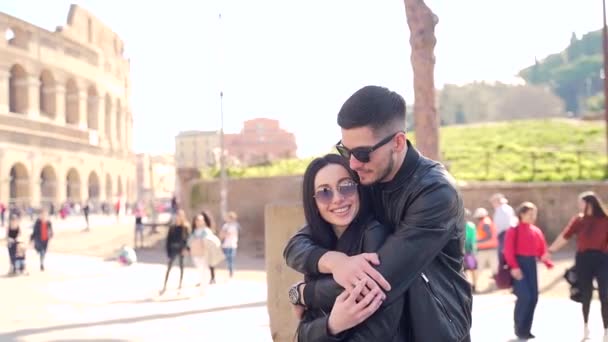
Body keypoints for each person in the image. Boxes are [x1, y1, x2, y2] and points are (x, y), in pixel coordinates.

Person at [283, 85, 472, 340]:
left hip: (434, 331)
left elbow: (377, 280)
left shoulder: (436, 193)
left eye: (361, 153)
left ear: (397, 142)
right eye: (345, 151)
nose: (352, 163)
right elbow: (298, 243)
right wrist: (334, 261)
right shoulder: (363, 179)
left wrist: (305, 293)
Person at [286, 154, 403, 341]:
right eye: (325, 192)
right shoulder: (319, 235)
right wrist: (331, 325)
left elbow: (370, 295)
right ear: (314, 202)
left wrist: (304, 293)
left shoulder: (376, 234)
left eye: (346, 186)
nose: (337, 199)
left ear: (359, 189)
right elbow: (302, 333)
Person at [549, 191, 608, 341]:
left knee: (605, 295)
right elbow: (565, 236)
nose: (578, 205)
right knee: (585, 294)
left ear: (589, 203)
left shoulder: (605, 220)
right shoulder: (578, 220)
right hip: (583, 260)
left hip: (602, 259)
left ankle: (606, 329)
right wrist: (551, 250)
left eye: (580, 202)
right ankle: (586, 326)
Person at [503, 202, 553, 340]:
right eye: (530, 214)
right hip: (519, 264)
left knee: (534, 298)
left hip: (531, 265)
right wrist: (514, 267)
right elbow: (508, 250)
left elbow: (542, 249)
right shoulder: (514, 230)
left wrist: (548, 263)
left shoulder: (536, 230)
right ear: (521, 214)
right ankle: (519, 328)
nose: (533, 216)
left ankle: (526, 329)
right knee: (525, 297)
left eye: (534, 214)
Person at [189, 213, 224, 291]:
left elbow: (212, 240)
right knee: (200, 269)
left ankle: (204, 286)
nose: (198, 222)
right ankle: (202, 284)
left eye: (200, 220)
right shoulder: (194, 232)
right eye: (197, 220)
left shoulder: (206, 231)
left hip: (204, 253)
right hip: (195, 253)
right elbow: (189, 241)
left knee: (204, 270)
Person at [160, 209, 190, 295]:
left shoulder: (185, 227)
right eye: (178, 215)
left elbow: (188, 239)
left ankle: (180, 285)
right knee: (169, 267)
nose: (179, 217)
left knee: (181, 267)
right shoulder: (172, 227)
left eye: (181, 215)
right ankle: (165, 285)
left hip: (181, 249)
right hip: (173, 249)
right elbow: (168, 240)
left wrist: (186, 249)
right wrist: (168, 251)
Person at [490, 193, 517, 262]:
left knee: (503, 254)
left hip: (504, 234)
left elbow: (502, 224)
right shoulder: (507, 208)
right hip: (507, 233)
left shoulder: (501, 210)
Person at [201, 210, 223, 284]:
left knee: (210, 263)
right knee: (207, 263)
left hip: (208, 245)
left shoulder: (208, 227)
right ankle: (209, 278)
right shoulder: (209, 225)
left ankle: (212, 278)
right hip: (206, 245)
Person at [220, 211, 240, 278]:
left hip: (233, 244)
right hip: (226, 244)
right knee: (228, 258)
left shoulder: (236, 225)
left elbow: (237, 234)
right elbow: (221, 235)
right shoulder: (225, 226)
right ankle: (230, 269)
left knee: (231, 258)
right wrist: (226, 234)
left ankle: (231, 271)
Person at [464, 209, 478, 292]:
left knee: (471, 269)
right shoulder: (470, 225)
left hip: (469, 251)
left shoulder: (470, 226)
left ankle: (474, 286)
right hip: (465, 251)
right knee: (465, 270)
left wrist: (473, 251)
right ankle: (469, 286)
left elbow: (473, 239)